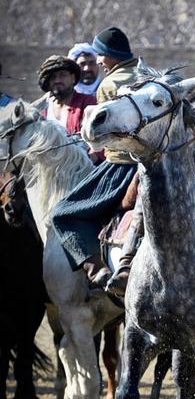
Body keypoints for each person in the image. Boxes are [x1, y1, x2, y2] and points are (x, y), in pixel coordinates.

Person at [50, 27, 141, 293]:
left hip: (122, 167)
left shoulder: (109, 85)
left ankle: (95, 270)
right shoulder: (145, 74)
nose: (99, 61)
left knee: (62, 214)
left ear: (111, 55)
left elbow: (102, 136)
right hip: (150, 162)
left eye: (100, 55)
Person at [33, 55, 96, 137]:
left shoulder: (89, 103)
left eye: (62, 75)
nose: (57, 80)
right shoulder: (41, 108)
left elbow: (95, 139)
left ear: (73, 78)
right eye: (53, 77)